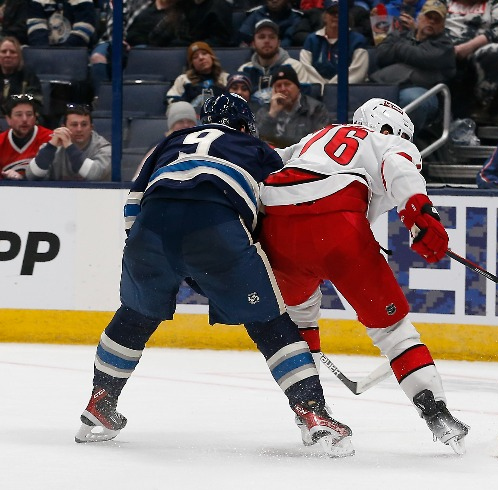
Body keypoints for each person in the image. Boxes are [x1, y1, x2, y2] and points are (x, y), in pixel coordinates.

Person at [73, 94, 354, 458]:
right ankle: (313, 413)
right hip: (216, 224)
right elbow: (279, 211)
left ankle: (100, 403)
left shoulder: (170, 142)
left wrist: (157, 255)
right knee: (270, 322)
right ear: (243, 126)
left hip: (150, 229)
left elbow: (133, 201)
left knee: (134, 315)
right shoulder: (257, 148)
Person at [258, 98, 469, 454]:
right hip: (338, 223)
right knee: (392, 330)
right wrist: (420, 214)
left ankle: (310, 411)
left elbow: (267, 160)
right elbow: (400, 169)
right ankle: (436, 412)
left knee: (298, 323)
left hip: (276, 224)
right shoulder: (388, 142)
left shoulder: (319, 135)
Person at [372, 0, 454, 135]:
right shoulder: (400, 35)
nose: (431, 22)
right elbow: (381, 55)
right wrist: (409, 55)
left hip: (425, 93)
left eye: (437, 19)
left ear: (443, 26)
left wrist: (398, 49)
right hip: (388, 86)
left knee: (411, 100)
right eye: (428, 17)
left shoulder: (445, 45)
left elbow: (424, 57)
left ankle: (400, 144)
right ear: (419, 18)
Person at [445, 0, 498, 120]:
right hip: (442, 52)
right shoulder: (443, 2)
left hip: (476, 55)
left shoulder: (497, 3)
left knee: (495, 51)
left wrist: (468, 47)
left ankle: (480, 105)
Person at [26, 104, 111, 181]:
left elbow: (95, 175)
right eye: (74, 125)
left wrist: (69, 146)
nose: (79, 129)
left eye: (84, 125)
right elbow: (32, 175)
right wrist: (51, 146)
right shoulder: (53, 146)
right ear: (64, 127)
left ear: (91, 127)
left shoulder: (103, 147)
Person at [237, 19, 307, 109]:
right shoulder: (244, 69)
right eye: (261, 37)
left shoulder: (295, 67)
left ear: (278, 43)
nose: (267, 41)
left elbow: (304, 101)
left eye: (272, 37)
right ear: (253, 43)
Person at [298, 0, 369, 86]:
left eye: (340, 12)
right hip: (317, 92)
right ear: (324, 17)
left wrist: (332, 89)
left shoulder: (358, 40)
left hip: (348, 92)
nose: (336, 15)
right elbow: (306, 69)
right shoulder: (311, 40)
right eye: (332, 12)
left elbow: (358, 73)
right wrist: (324, 89)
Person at [255, 67, 329, 147]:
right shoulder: (266, 110)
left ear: (298, 87)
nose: (283, 89)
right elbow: (256, 139)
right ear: (273, 90)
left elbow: (321, 141)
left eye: (287, 84)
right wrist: (272, 114)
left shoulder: (315, 109)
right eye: (278, 86)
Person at [0, 94, 52, 180]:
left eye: (29, 114)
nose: (24, 119)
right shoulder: (1, 142)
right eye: (19, 115)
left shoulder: (50, 139)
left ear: (35, 117)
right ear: (8, 119)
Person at [166, 42, 230, 110]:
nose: (201, 58)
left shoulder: (225, 78)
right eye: (195, 57)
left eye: (204, 53)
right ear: (192, 64)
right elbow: (172, 100)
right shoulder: (183, 80)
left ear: (212, 56)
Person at [146, 0, 233, 47]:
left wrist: (191, 45)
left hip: (208, 53)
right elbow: (155, 37)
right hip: (181, 51)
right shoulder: (184, 4)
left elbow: (221, 41)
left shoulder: (219, 6)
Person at [239, 0, 313, 48]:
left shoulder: (295, 17)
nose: (274, 0)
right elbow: (244, 33)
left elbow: (289, 39)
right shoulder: (256, 13)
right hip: (256, 53)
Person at [26, 0, 97, 47]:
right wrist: (45, 52)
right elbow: (35, 30)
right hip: (43, 52)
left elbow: (84, 29)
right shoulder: (37, 1)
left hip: (75, 53)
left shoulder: (84, 1)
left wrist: (63, 52)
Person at [0, 36, 42, 109]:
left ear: (19, 56)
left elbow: (35, 99)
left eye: (12, 52)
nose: (8, 55)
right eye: (3, 52)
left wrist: (12, 99)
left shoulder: (28, 76)